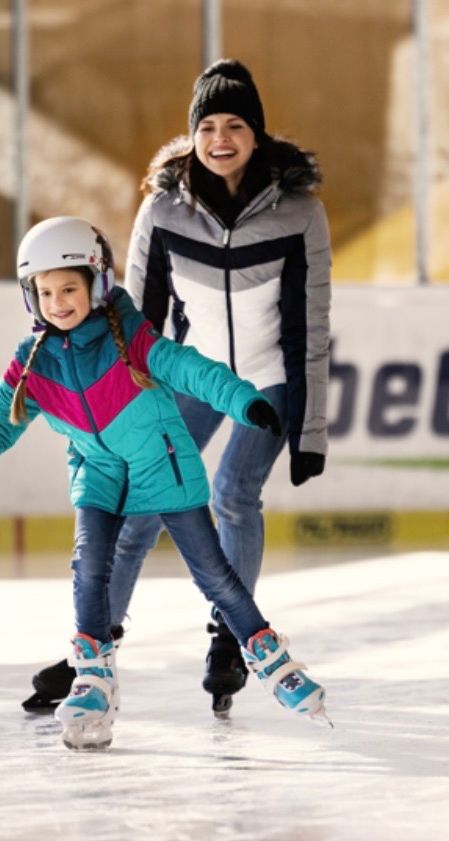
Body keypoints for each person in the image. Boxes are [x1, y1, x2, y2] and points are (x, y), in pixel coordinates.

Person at [23, 59, 331, 716]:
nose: (221, 138)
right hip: (182, 376)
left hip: (264, 379)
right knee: (135, 508)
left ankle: (231, 638)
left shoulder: (298, 211)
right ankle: (95, 643)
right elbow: (129, 312)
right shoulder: (163, 209)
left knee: (233, 495)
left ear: (256, 133)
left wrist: (310, 429)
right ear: (193, 135)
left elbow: (312, 319)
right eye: (209, 126)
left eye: (236, 125)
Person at [2, 216, 329, 749]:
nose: (59, 301)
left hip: (163, 467)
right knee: (88, 567)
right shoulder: (34, 362)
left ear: (96, 285)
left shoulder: (129, 338)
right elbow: (1, 419)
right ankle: (92, 676)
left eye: (69, 288)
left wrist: (244, 401)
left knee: (214, 576)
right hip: (99, 474)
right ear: (31, 297)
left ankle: (270, 657)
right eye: (46, 292)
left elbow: (190, 368)